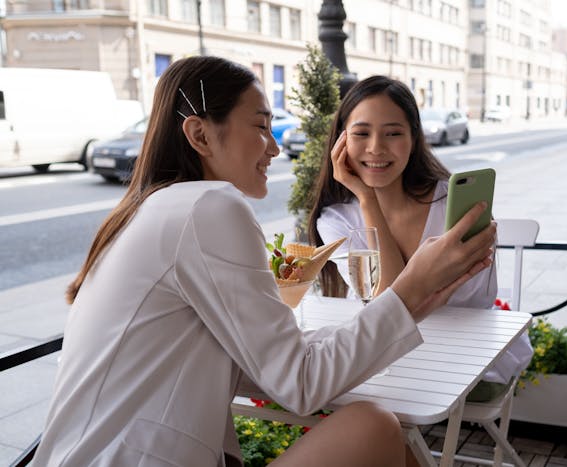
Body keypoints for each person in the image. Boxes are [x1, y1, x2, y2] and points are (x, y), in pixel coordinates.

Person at [31, 57, 496, 467]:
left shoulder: (153, 208)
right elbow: (297, 382)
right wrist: (411, 290)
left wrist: (418, 299)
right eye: (260, 126)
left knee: (389, 439)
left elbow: (269, 365)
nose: (274, 147)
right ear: (199, 134)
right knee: (373, 427)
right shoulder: (207, 207)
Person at [308, 75, 532, 402]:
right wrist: (367, 200)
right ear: (341, 141)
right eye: (361, 133)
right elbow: (392, 304)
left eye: (393, 133)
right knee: (364, 403)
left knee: (373, 406)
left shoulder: (453, 208)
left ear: (414, 138)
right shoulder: (337, 220)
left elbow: (395, 304)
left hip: (464, 354)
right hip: (392, 357)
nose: (375, 148)